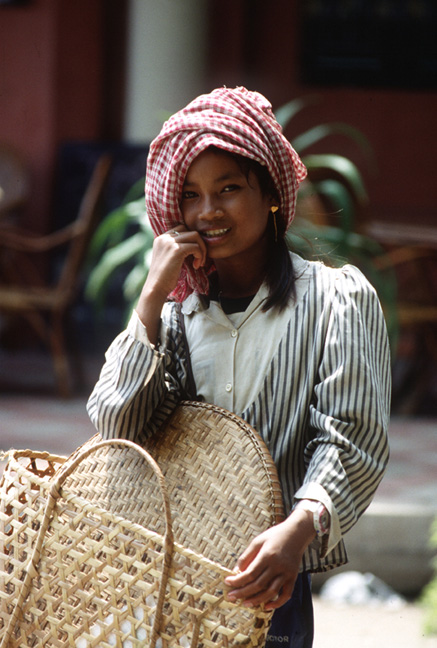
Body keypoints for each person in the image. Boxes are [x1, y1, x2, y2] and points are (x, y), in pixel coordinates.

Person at [87, 86, 391, 648]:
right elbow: (116, 427)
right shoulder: (175, 320)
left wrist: (296, 534)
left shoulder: (336, 301)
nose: (208, 212)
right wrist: (152, 298)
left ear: (272, 192)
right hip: (172, 584)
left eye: (228, 188)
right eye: (192, 195)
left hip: (271, 583)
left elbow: (350, 440)